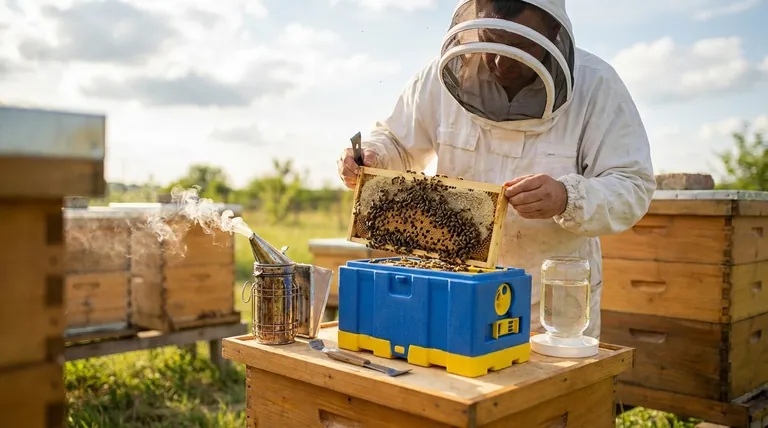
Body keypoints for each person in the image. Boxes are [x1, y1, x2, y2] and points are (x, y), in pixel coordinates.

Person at [336, 0, 656, 340]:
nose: (502, 62)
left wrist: (567, 197)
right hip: (455, 287)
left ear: (553, 31)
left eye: (519, 45)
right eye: (491, 40)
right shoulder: (440, 77)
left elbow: (631, 185)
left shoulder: (597, 86)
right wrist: (374, 157)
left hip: (550, 304)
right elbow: (397, 142)